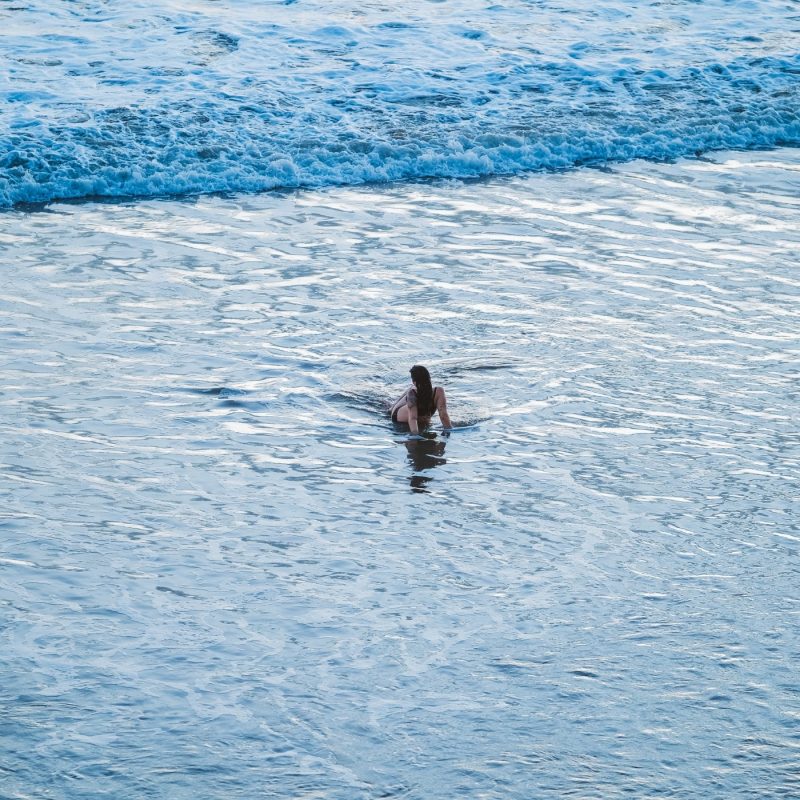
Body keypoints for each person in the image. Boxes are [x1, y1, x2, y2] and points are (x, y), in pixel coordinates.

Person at [390, 364, 452, 434]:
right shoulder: (439, 391)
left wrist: (449, 431)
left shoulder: (438, 392)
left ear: (414, 382)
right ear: (430, 378)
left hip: (415, 401)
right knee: (411, 393)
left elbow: (443, 416)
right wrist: (415, 436)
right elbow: (413, 419)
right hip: (399, 417)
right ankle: (391, 408)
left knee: (413, 391)